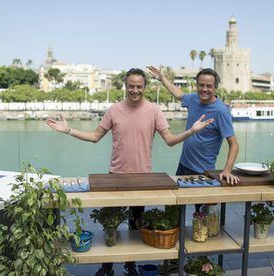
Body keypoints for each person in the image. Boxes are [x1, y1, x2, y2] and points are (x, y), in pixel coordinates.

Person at [46, 68, 214, 276]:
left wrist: (191, 131)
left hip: (141, 179)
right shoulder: (114, 110)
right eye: (131, 86)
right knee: (111, 224)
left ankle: (130, 264)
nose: (135, 90)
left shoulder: (154, 111)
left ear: (145, 87)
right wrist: (69, 130)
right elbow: (95, 136)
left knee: (136, 225)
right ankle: (107, 266)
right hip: (115, 176)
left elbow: (170, 141)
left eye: (139, 86)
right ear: (125, 87)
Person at [148, 66, 239, 186]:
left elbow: (234, 144)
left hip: (203, 171)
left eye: (209, 86)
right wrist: (162, 78)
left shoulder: (221, 111)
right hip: (183, 165)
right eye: (201, 85)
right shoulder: (193, 99)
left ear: (215, 88)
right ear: (197, 86)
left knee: (201, 204)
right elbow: (179, 94)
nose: (204, 89)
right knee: (177, 204)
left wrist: (227, 169)